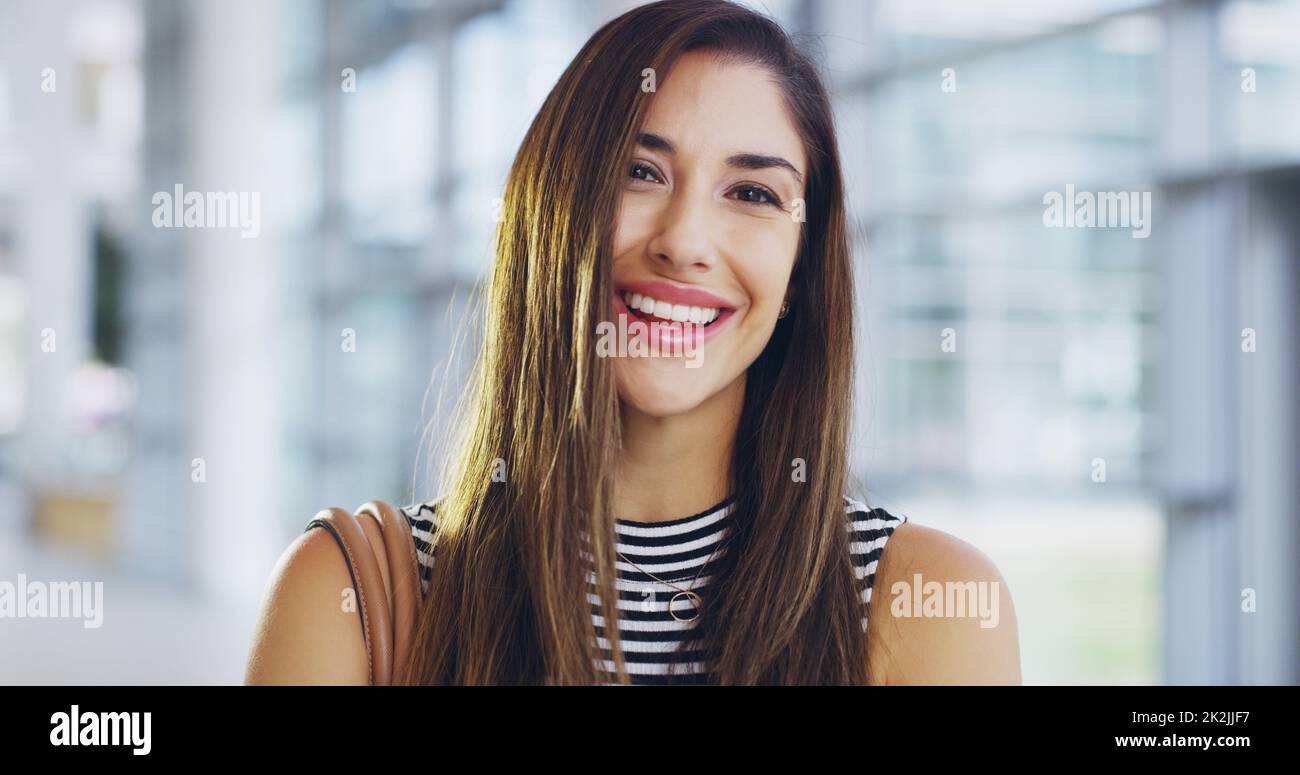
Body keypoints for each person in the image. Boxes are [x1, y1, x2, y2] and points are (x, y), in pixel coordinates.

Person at [245, 0, 1020, 686]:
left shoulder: (927, 605)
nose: (684, 242)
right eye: (639, 172)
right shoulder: (352, 595)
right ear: (552, 214)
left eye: (752, 193)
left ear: (800, 274)